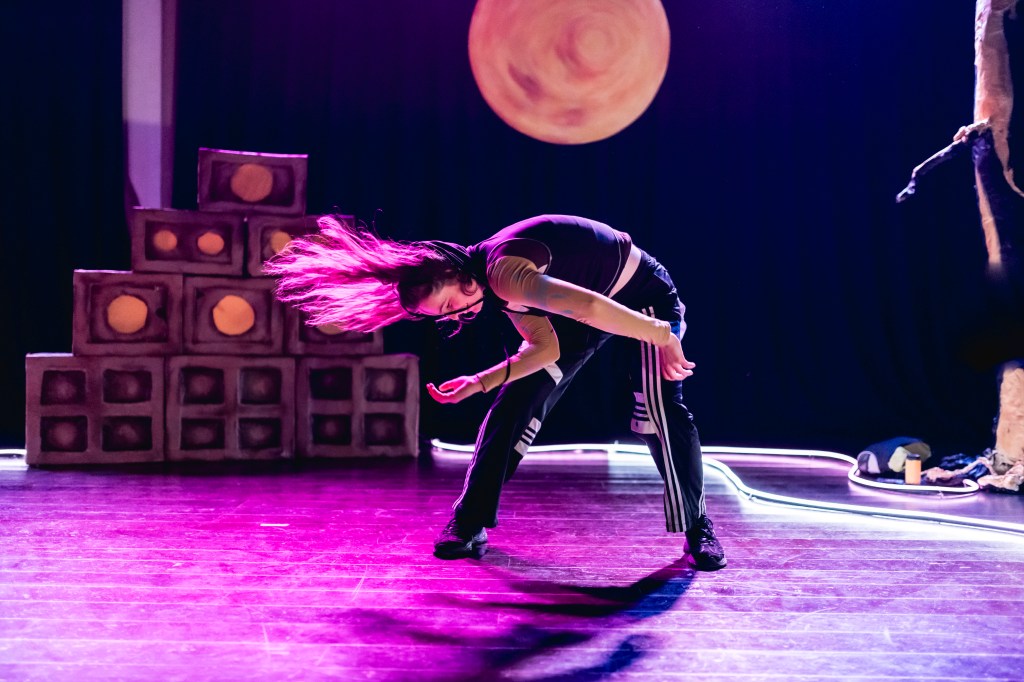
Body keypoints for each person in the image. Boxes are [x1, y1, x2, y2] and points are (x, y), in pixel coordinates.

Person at [267, 214, 726, 570]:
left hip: (642, 299)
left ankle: (696, 523)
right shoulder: (498, 287)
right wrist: (481, 383)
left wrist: (662, 333)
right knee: (515, 403)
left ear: (462, 280)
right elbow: (545, 348)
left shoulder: (505, 275)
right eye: (437, 316)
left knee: (658, 407)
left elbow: (587, 305)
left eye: (447, 306)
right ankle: (470, 521)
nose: (448, 317)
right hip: (587, 311)